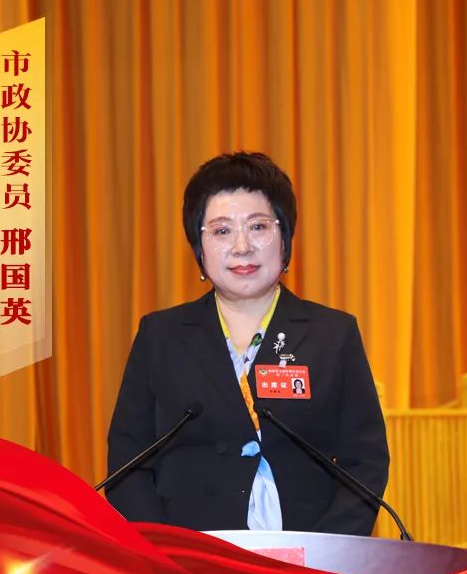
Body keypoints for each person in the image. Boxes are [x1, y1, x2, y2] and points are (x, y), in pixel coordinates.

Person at [106, 152, 389, 535]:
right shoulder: (161, 336)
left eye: (258, 227)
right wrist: (165, 549)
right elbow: (128, 460)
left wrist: (325, 552)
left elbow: (366, 461)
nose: (242, 246)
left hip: (311, 554)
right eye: (221, 231)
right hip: (191, 553)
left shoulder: (333, 334)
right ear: (198, 246)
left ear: (285, 237)